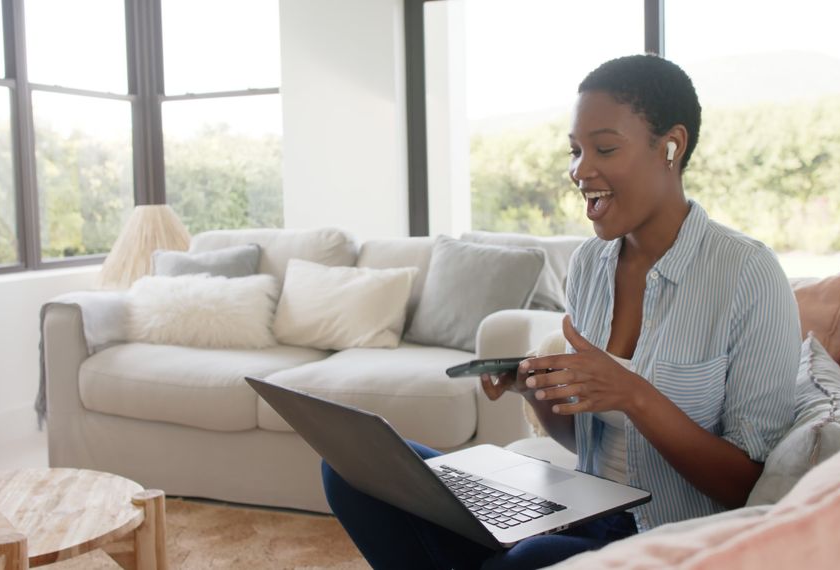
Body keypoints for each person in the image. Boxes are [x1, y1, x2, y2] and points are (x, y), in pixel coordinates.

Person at [321, 54, 801, 570]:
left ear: (671, 145)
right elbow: (587, 442)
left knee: (531, 560)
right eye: (575, 150)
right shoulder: (591, 263)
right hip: (582, 508)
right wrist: (542, 395)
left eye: (605, 148)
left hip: (670, 534)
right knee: (354, 471)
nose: (580, 171)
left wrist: (635, 395)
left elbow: (747, 485)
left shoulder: (748, 274)